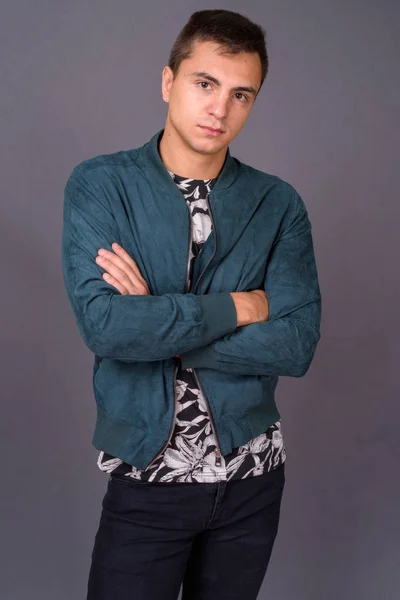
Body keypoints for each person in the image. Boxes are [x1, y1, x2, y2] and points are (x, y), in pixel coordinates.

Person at [61, 8, 322, 600]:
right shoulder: (102, 185)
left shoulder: (277, 203)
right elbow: (106, 327)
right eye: (205, 84)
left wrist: (157, 317)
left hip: (253, 476)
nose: (220, 109)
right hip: (147, 477)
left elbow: (296, 343)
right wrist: (238, 306)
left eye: (241, 95)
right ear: (167, 82)